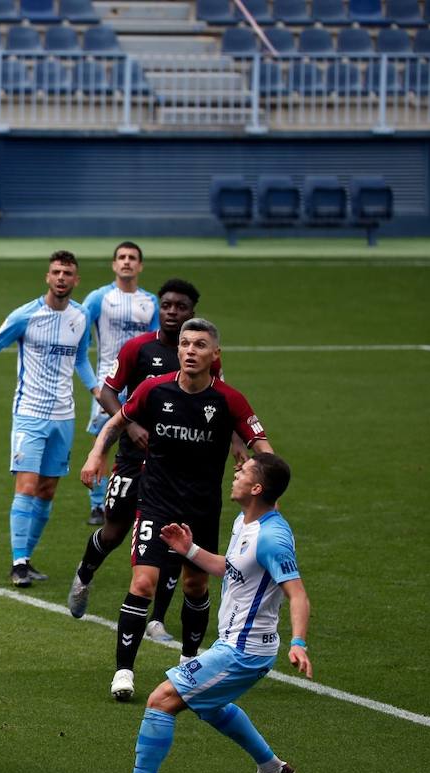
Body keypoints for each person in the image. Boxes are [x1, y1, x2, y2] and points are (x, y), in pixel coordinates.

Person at [88, 453, 311, 773]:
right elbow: (231, 567)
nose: (235, 472)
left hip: (244, 651)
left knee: (162, 700)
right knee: (210, 705)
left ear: (257, 488)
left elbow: (297, 592)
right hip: (234, 643)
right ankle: (272, 768)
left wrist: (299, 642)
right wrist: (188, 550)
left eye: (244, 471)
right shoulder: (246, 522)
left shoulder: (272, 538)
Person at [81, 317, 272, 702]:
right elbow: (117, 421)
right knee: (142, 583)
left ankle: (189, 660)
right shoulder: (154, 390)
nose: (189, 351)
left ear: (215, 354)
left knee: (195, 585)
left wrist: (266, 486)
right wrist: (96, 453)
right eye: (185, 344)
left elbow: (263, 447)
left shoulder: (229, 400)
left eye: (200, 345)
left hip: (201, 509)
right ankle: (124, 671)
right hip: (156, 503)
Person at [68, 278, 211, 639]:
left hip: (176, 467)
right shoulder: (138, 349)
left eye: (180, 307)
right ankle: (85, 574)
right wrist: (128, 428)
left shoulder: (201, 357)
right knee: (115, 530)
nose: (172, 312)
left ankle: (157, 620)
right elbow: (108, 392)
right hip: (133, 460)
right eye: (166, 306)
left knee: (173, 537)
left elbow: (214, 402)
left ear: (192, 312)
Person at [0, 251, 97, 588]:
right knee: (27, 486)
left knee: (47, 490)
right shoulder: (25, 316)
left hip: (64, 416)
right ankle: (17, 563)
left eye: (67, 273)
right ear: (47, 277)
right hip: (29, 414)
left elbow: (82, 360)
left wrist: (98, 392)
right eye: (56, 271)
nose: (61, 277)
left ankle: (27, 558)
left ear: (76, 280)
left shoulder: (82, 316)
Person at [80, 242, 158, 526]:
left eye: (132, 258)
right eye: (121, 257)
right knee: (104, 440)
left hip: (141, 386)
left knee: (145, 439)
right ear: (114, 264)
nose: (126, 262)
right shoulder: (99, 298)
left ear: (140, 265)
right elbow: (78, 329)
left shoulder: (150, 302)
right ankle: (97, 504)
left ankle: (143, 494)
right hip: (108, 384)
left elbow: (157, 341)